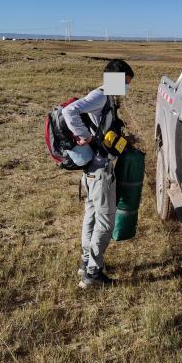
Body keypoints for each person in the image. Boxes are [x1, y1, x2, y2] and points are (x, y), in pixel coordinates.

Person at [62, 58, 134, 288]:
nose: (127, 88)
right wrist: (86, 136)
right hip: (100, 171)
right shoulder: (101, 96)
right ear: (116, 79)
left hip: (95, 170)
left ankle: (87, 263)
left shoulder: (107, 98)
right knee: (105, 222)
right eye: (126, 83)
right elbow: (69, 111)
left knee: (91, 217)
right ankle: (93, 272)